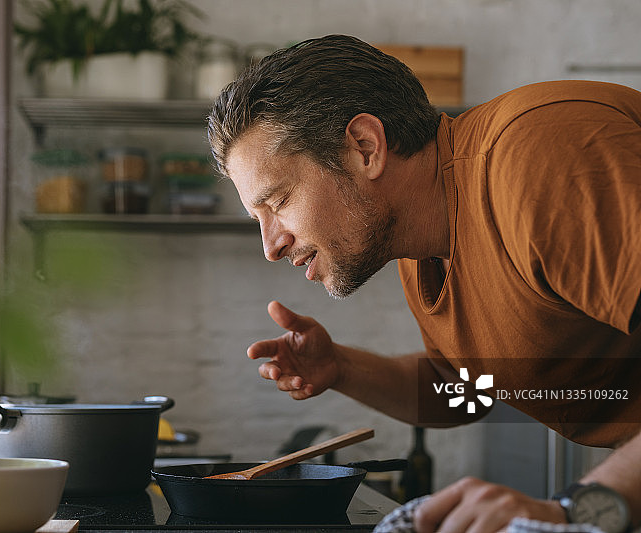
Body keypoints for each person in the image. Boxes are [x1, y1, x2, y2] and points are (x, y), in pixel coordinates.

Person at [207, 34, 641, 533]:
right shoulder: (422, 246)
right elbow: (466, 390)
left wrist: (571, 512)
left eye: (278, 201)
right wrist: (342, 368)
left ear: (364, 148)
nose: (271, 246)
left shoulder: (541, 159)